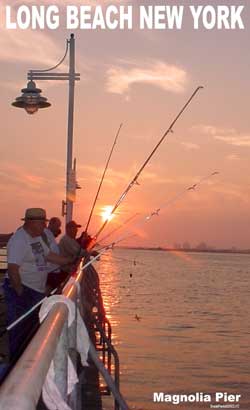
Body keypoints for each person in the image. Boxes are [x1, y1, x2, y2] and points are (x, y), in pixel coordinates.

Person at [3, 208, 72, 360]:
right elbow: (13, 268)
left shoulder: (37, 237)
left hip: (36, 292)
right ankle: (17, 362)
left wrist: (68, 260)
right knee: (19, 330)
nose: (44, 226)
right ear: (31, 222)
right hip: (22, 291)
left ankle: (27, 358)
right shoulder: (19, 239)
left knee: (30, 329)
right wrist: (20, 292)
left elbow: (49, 256)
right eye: (42, 223)